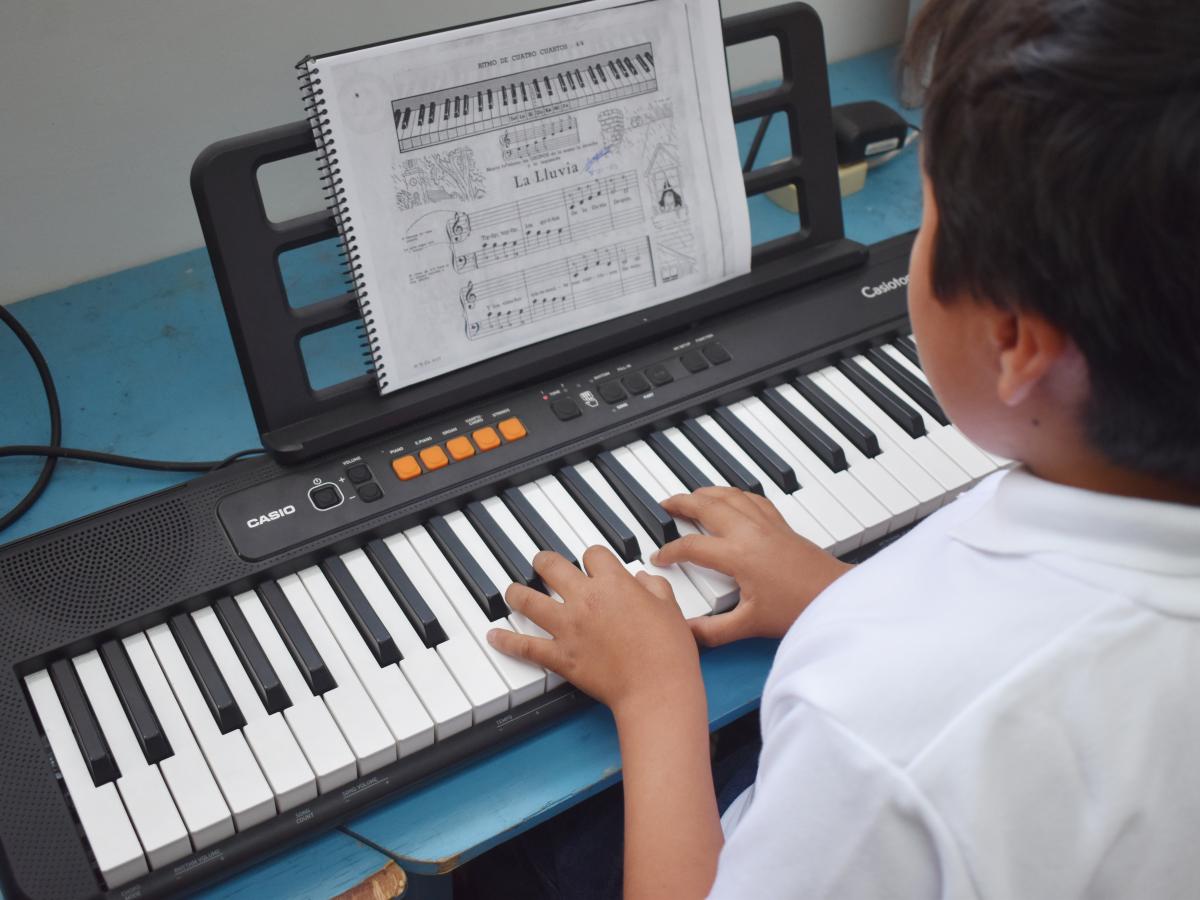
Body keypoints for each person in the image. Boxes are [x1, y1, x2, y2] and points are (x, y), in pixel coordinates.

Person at [486, 0, 1200, 896]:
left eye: (930, 209)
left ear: (1017, 342)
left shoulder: (879, 734)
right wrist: (837, 595)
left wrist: (657, 693)